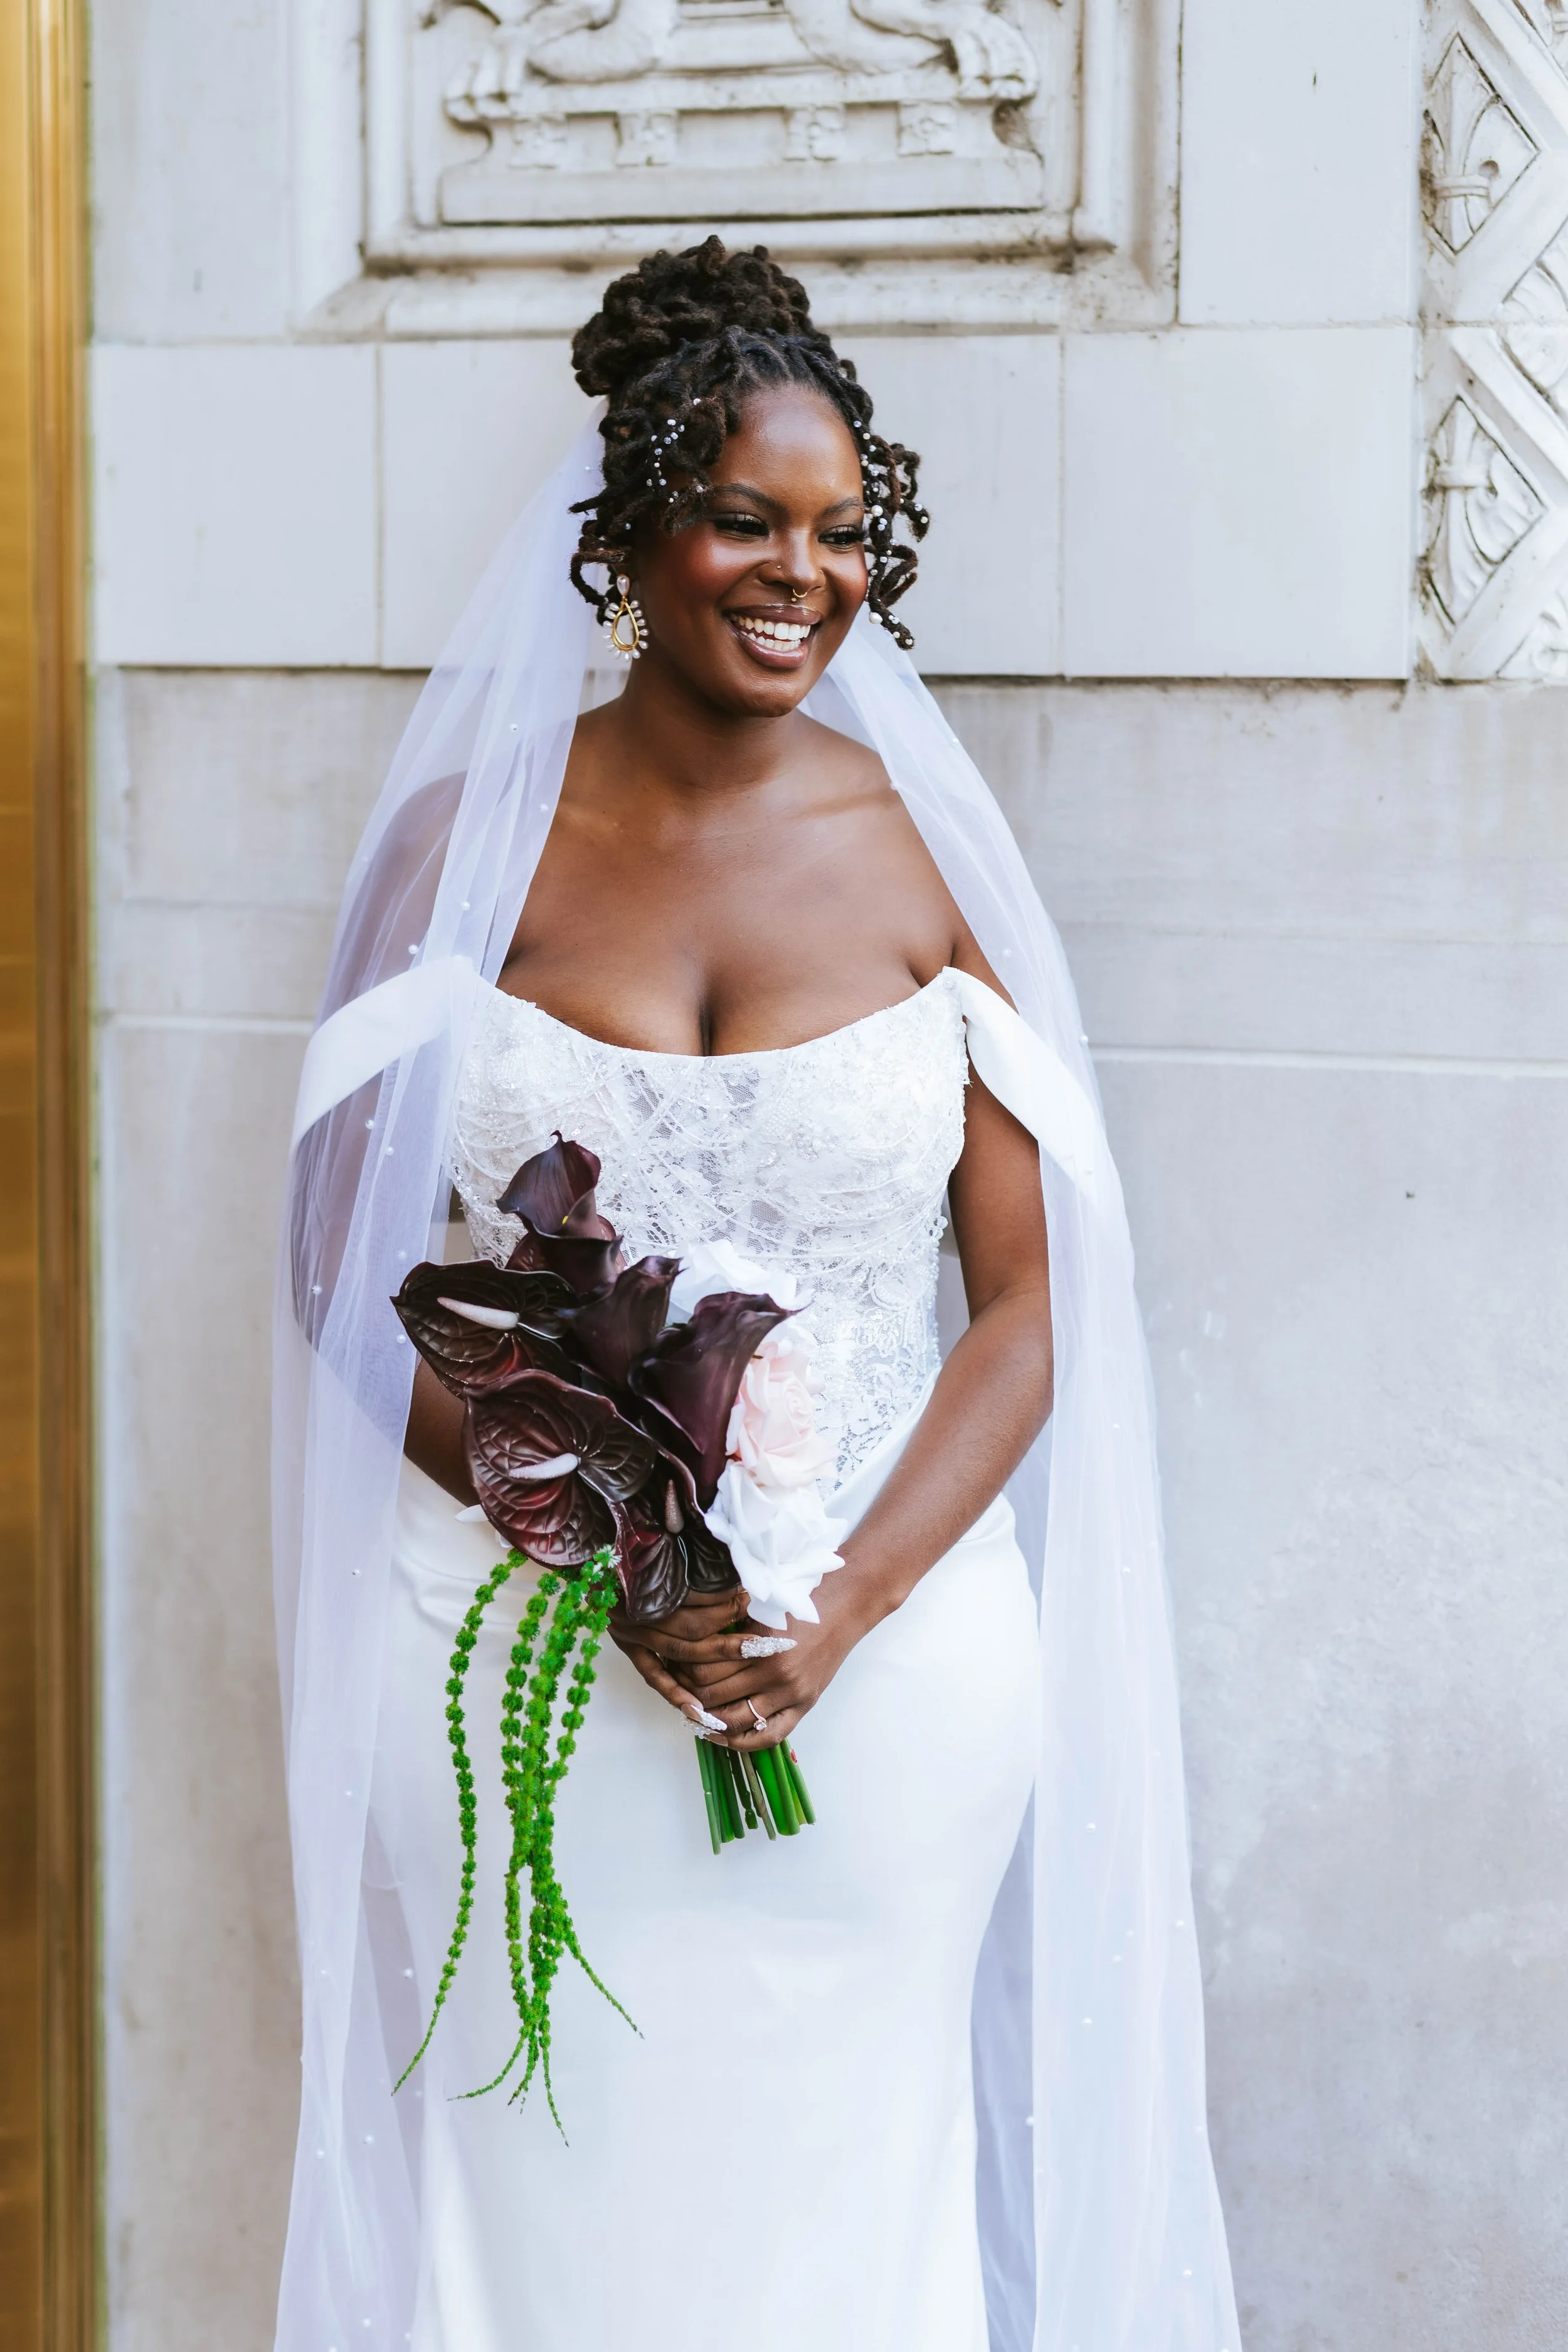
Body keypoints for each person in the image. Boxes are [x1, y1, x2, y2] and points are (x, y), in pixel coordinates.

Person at [273, 238, 1239, 2352]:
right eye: (744, 518)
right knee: (542, 2207)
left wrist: (842, 1609)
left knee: (844, 2211)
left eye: (841, 533)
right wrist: (597, 1541)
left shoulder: (935, 865)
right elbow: (337, 1266)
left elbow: (1029, 1306)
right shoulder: (463, 848)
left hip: (881, 1680)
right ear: (631, 538)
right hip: (524, 1670)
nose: (800, 573)